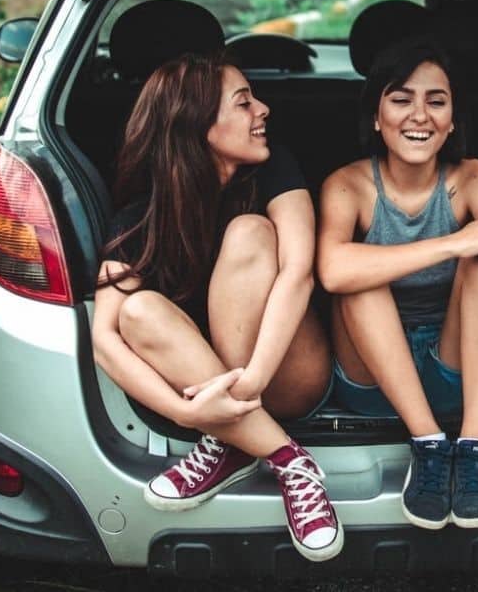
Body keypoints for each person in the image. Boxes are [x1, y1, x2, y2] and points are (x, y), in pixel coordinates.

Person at [91, 52, 343, 562]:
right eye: (244, 102)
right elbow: (104, 340)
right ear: (199, 123)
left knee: (250, 232)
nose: (263, 110)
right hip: (209, 396)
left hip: (288, 373)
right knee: (135, 312)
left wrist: (246, 387)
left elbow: (300, 273)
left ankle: (230, 441)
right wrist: (189, 412)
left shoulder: (276, 172)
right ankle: (286, 459)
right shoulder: (141, 215)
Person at [317, 38, 478, 530]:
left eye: (436, 101)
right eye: (401, 99)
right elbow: (333, 271)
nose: (419, 115)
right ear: (377, 117)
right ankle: (427, 443)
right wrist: (453, 242)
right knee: (362, 275)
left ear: (453, 121)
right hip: (372, 379)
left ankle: (473, 446)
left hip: (459, 373)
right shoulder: (348, 184)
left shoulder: (476, 176)